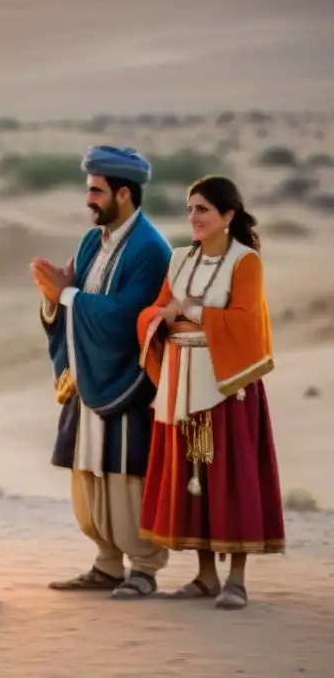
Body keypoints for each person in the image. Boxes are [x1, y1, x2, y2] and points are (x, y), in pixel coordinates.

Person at [137, 176, 284, 609]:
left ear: (228, 215)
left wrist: (190, 311)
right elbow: (157, 310)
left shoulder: (245, 262)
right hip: (183, 383)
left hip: (226, 384)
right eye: (190, 209)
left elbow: (244, 322)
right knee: (193, 477)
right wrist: (163, 318)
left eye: (202, 209)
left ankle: (236, 580)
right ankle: (204, 576)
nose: (193, 217)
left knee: (230, 476)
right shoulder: (180, 259)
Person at [31, 146, 170, 598]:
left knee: (125, 477)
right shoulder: (93, 241)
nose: (88, 199)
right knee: (87, 474)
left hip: (125, 380)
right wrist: (53, 297)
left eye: (96, 191)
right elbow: (72, 292)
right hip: (87, 375)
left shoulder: (150, 249)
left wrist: (67, 296)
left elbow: (129, 316)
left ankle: (144, 569)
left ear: (123, 194)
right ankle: (107, 565)